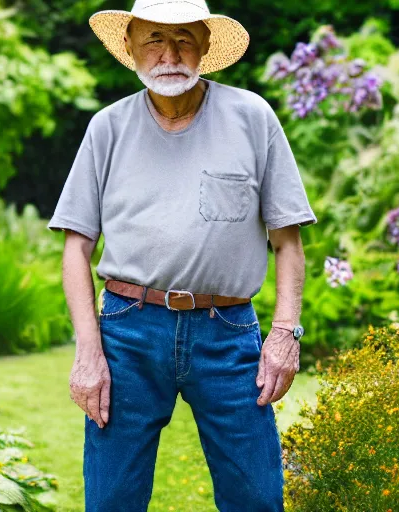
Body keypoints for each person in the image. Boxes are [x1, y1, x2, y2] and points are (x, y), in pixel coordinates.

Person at [47, 0, 317, 510]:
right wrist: (88, 352)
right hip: (127, 332)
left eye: (184, 39)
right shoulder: (107, 128)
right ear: (129, 46)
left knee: (257, 497)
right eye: (154, 39)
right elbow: (76, 247)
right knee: (111, 500)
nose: (169, 54)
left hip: (228, 332)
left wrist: (285, 334)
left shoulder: (253, 117)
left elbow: (287, 241)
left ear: (206, 46)